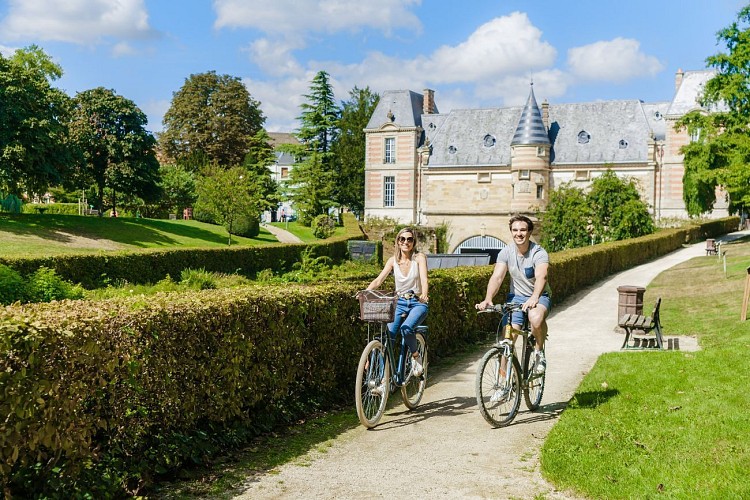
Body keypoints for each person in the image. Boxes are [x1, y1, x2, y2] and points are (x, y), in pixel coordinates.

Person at [476, 214, 551, 376]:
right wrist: (488, 298)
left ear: (529, 232)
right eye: (515, 230)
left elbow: (541, 276)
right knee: (507, 340)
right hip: (516, 298)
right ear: (511, 232)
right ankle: (503, 384)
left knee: (536, 318)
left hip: (539, 295)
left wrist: (534, 297)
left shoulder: (538, 252)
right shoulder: (506, 252)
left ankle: (539, 353)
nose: (519, 233)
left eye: (523, 230)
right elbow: (497, 277)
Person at [365, 227, 429, 379]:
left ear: (413, 242)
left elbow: (424, 279)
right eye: (402, 239)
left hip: (417, 302)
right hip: (398, 303)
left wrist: (425, 294)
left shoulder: (419, 258)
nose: (406, 242)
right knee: (388, 337)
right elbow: (379, 280)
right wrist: (365, 292)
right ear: (398, 242)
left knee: (407, 329)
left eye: (409, 239)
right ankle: (381, 380)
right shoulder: (392, 261)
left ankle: (415, 356)